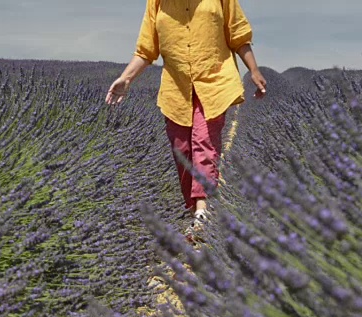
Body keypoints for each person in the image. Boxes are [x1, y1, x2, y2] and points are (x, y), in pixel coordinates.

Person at [105, 0, 266, 243]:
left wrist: (253, 70)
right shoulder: (157, 3)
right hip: (176, 89)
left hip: (213, 81)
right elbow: (146, 50)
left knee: (204, 142)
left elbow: (238, 34)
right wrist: (126, 79)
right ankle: (195, 214)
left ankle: (202, 212)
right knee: (182, 150)